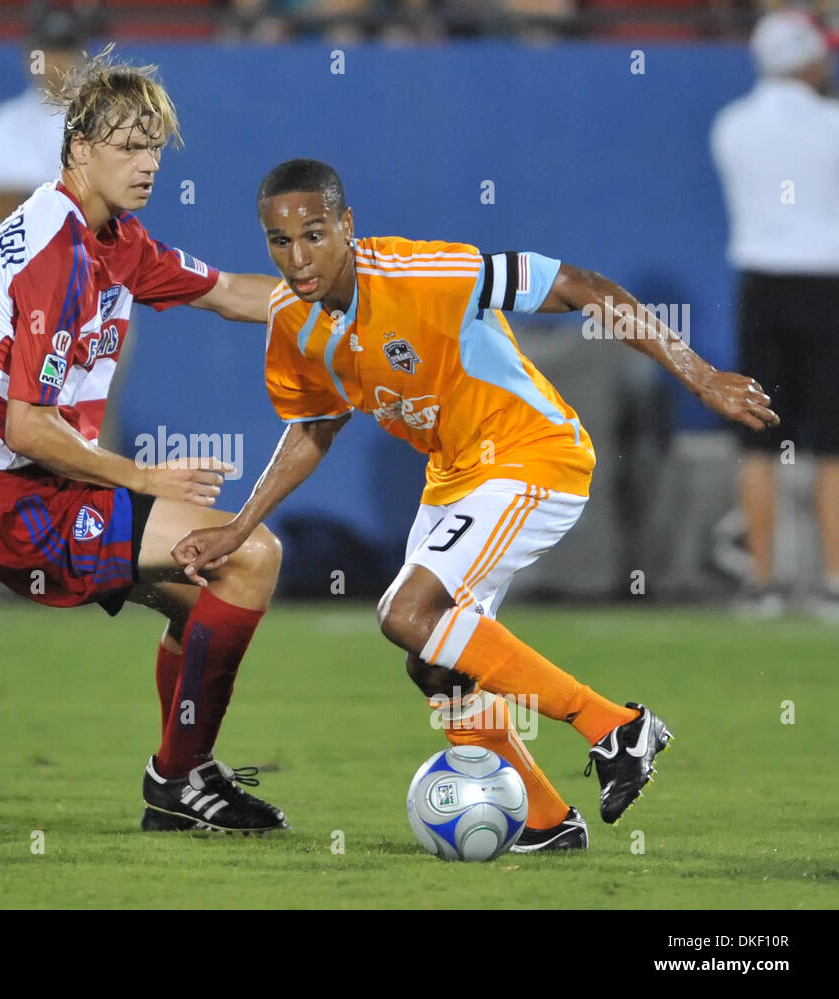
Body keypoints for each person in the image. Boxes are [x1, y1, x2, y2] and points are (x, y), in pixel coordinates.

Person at [172, 159, 779, 848]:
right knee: (433, 659)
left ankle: (616, 725)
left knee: (407, 612)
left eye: (314, 234)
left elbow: (583, 286)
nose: (299, 257)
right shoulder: (294, 322)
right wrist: (240, 525)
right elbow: (316, 426)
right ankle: (547, 822)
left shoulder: (428, 274)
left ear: (347, 224)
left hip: (531, 452)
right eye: (280, 243)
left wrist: (699, 375)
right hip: (456, 474)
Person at [0, 46, 290, 833]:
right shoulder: (56, 252)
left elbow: (230, 292)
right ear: (77, 149)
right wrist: (142, 478)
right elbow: (24, 423)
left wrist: (340, 292)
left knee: (208, 596)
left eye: (155, 148)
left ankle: (183, 780)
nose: (146, 164)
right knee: (250, 554)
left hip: (49, 488)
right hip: (15, 499)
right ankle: (177, 779)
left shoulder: (113, 239)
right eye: (127, 146)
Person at [711, 8, 839, 619]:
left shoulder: (731, 125)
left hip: (761, 288)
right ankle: (833, 583)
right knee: (833, 446)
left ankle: (761, 586)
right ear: (807, 59)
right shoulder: (834, 123)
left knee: (759, 441)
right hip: (828, 289)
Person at [0, 11, 84, 238]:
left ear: (81, 57)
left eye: (64, 51)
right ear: (30, 57)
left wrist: (20, 198)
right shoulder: (5, 119)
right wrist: (60, 201)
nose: (55, 62)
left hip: (77, 263)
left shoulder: (100, 121)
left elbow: (98, 208)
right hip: (10, 263)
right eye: (47, 52)